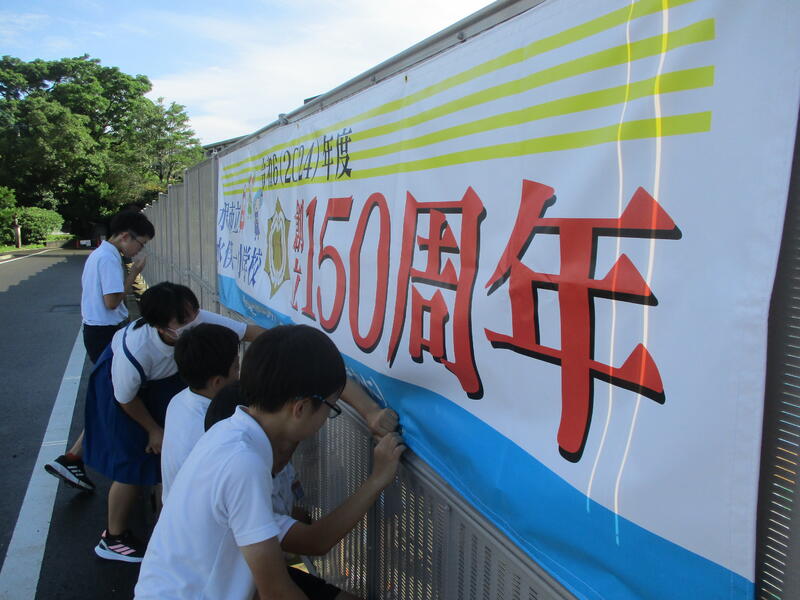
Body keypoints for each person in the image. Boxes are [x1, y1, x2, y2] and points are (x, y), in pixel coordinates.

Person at [135, 324, 405, 600]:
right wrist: (377, 479)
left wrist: (376, 480)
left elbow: (314, 541)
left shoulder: (229, 434)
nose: (326, 419)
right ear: (300, 408)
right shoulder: (243, 464)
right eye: (331, 408)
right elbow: (276, 593)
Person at [83, 282, 265, 563]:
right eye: (183, 319)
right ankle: (113, 536)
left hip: (158, 383)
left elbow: (249, 332)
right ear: (161, 327)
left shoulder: (193, 320)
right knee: (131, 463)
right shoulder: (136, 352)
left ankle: (162, 521)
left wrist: (289, 344)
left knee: (161, 459)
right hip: (124, 393)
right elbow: (125, 399)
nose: (193, 320)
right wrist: (153, 430)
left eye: (193, 312)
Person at [44, 209, 154, 492]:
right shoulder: (109, 258)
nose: (139, 250)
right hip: (106, 333)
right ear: (126, 236)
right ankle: (75, 458)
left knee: (111, 398)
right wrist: (134, 273)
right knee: (115, 398)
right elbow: (112, 301)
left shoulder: (101, 254)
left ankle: (73, 458)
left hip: (98, 332)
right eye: (140, 243)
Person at [160, 324, 241, 500]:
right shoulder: (214, 429)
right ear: (217, 382)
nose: (239, 374)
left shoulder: (179, 400)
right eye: (236, 367)